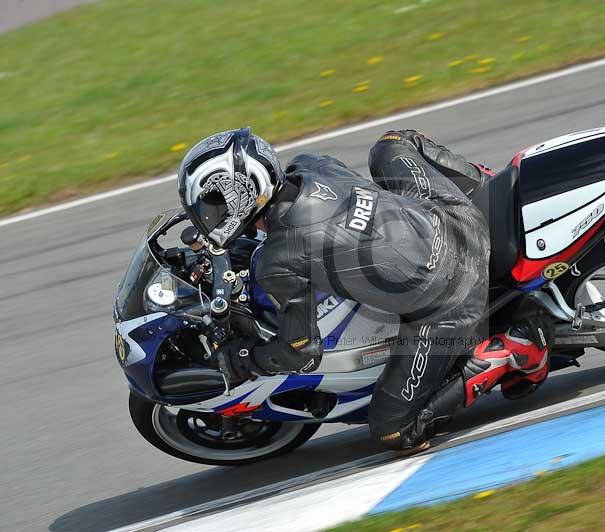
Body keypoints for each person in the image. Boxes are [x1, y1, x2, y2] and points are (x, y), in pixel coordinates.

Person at [177, 127, 552, 452]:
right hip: (455, 215)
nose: (208, 216)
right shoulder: (309, 165)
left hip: (451, 299)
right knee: (392, 144)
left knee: (394, 430)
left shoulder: (279, 260)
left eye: (212, 204)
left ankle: (512, 349)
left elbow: (300, 353)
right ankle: (491, 191)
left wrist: (245, 359)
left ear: (241, 195)